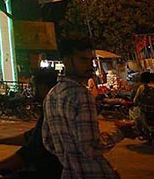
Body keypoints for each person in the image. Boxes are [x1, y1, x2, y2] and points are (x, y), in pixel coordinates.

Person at [42, 36, 128, 179]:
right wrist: (120, 131)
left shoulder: (52, 95)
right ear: (67, 61)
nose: (89, 65)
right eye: (83, 60)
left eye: (91, 60)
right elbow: (91, 147)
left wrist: (70, 157)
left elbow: (48, 141)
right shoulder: (81, 95)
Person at [0, 67, 62, 179]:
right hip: (43, 168)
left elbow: (28, 152)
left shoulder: (52, 112)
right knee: (3, 171)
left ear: (42, 87)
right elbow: (30, 136)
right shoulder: (50, 108)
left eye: (32, 86)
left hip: (45, 171)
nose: (31, 91)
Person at [130, 71, 154, 136]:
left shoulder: (142, 87)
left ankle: (141, 132)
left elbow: (135, 100)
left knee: (136, 114)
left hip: (147, 114)